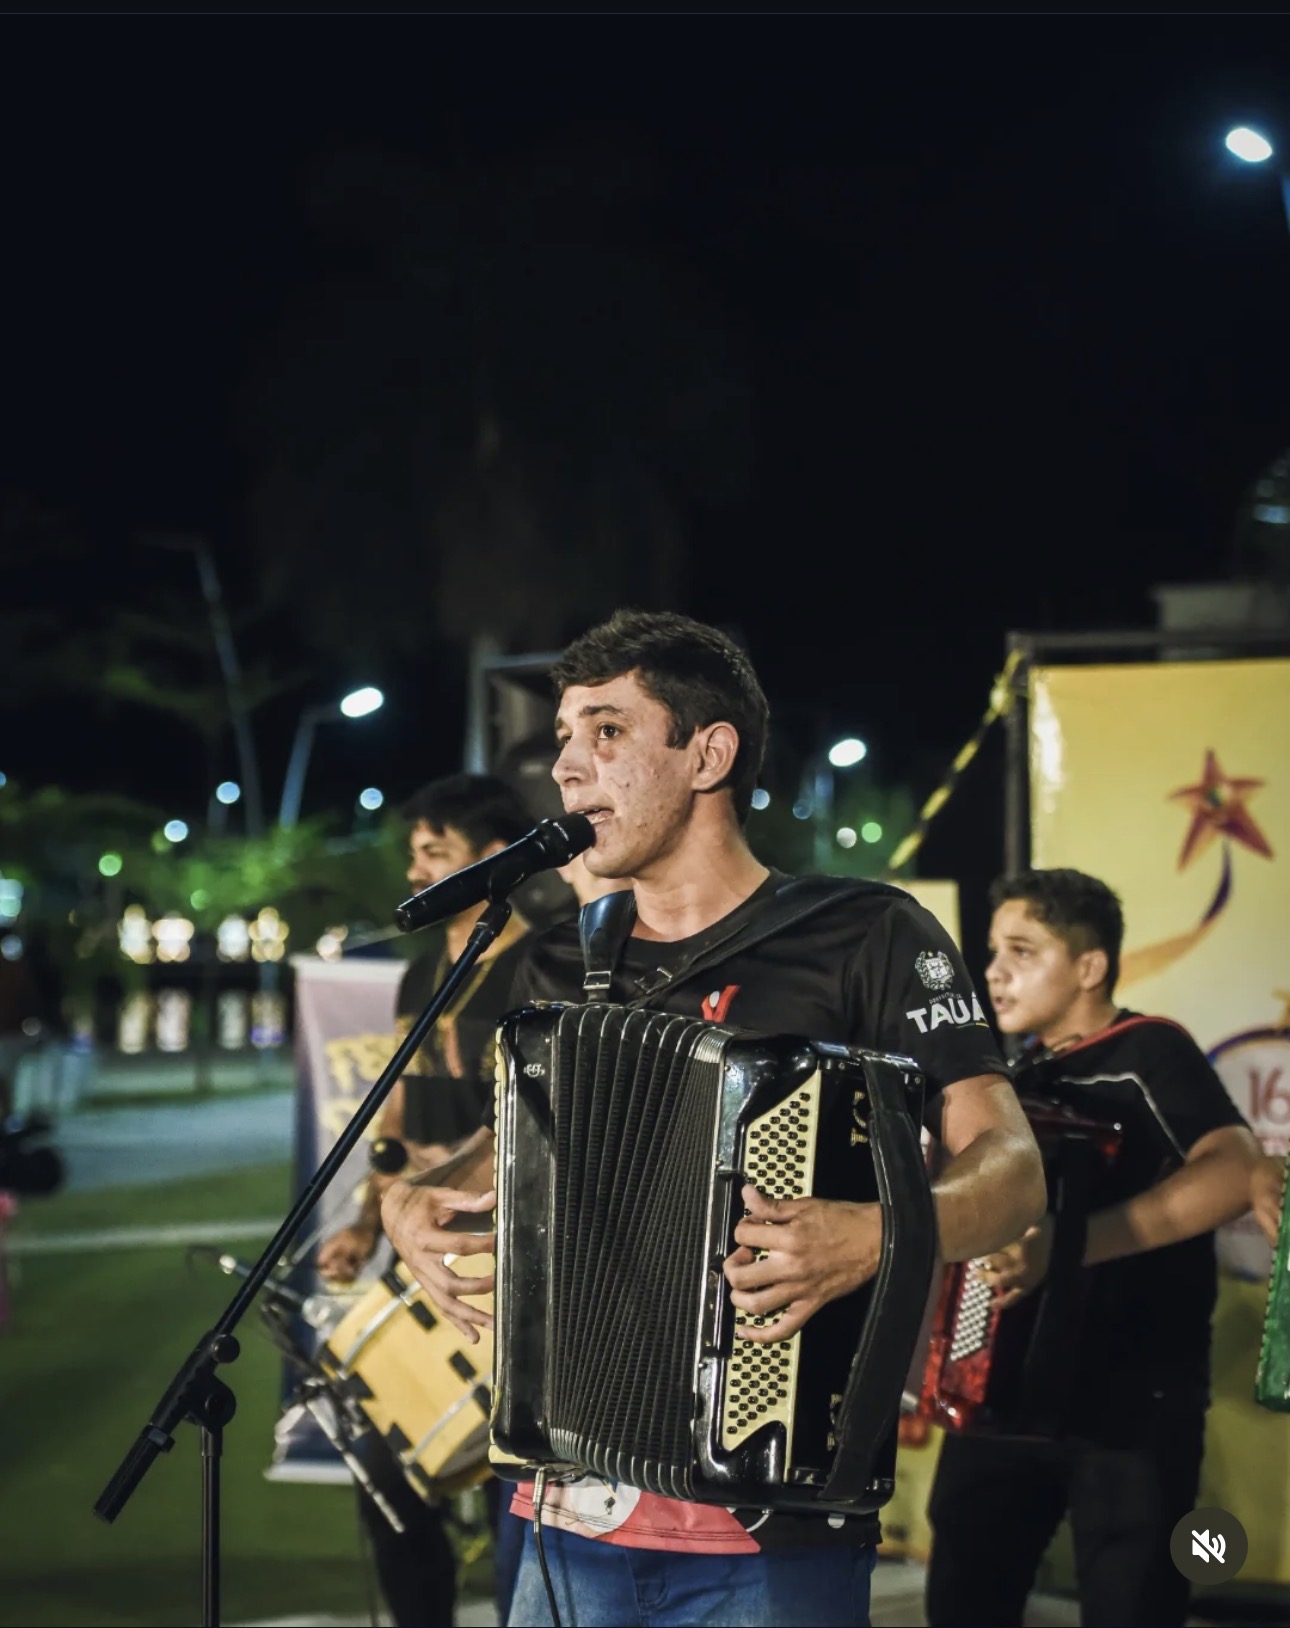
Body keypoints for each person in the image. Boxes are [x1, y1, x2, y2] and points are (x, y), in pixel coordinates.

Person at [381, 608, 1046, 1628]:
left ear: (709, 755)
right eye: (564, 736)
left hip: (774, 1526)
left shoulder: (866, 934)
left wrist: (877, 1231)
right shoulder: (558, 960)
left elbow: (1011, 1165)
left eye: (608, 731)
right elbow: (515, 1142)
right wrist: (417, 1199)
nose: (567, 765)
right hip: (567, 1504)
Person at [923, 867, 1261, 1628]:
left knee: (1132, 1605)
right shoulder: (1011, 1076)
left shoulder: (1148, 1050)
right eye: (992, 952)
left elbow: (1235, 1171)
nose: (994, 971)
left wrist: (1066, 1247)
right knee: (963, 1599)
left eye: (1022, 951)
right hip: (1001, 1395)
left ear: (1090, 967)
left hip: (1130, 1404)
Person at [317, 772, 534, 1628]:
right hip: (424, 1261)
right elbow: (398, 1119)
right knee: (386, 1467)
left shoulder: (546, 966)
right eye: (415, 854)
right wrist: (366, 1223)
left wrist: (471, 1168)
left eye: (435, 853)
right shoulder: (422, 975)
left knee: (524, 1493)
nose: (416, 873)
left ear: (494, 858)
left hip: (512, 1270)